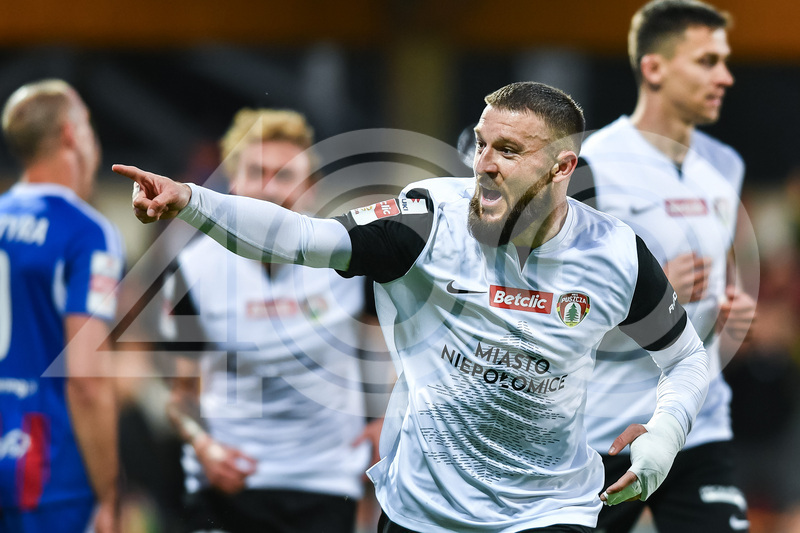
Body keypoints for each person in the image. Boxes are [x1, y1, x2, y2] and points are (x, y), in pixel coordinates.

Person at [115, 81, 711, 532]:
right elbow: (303, 238)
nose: (485, 164)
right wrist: (190, 200)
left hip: (549, 510)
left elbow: (685, 359)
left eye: (508, 150)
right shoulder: (428, 222)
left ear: (562, 167)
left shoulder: (616, 254)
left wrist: (664, 437)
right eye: (482, 145)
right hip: (424, 512)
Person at [570, 1, 757, 531]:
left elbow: (718, 280)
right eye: (707, 61)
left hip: (700, 423)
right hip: (604, 428)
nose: (725, 77)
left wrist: (728, 314)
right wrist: (653, 296)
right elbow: (559, 307)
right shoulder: (592, 166)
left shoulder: (725, 165)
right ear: (654, 68)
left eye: (724, 61)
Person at [160, 108, 383, 533]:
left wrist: (387, 420)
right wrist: (203, 446)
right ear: (233, 183)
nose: (269, 189)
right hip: (228, 480)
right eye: (256, 172)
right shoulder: (191, 269)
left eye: (285, 175)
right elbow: (180, 396)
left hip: (325, 481)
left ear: (311, 188)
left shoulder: (352, 259)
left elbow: (390, 355)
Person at [0, 80, 122, 532]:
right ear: (72, 133)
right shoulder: (87, 232)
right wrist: (110, 490)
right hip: (48, 470)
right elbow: (86, 380)